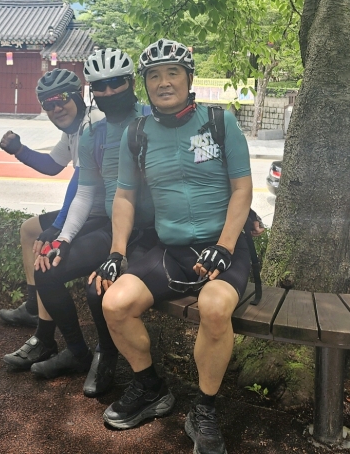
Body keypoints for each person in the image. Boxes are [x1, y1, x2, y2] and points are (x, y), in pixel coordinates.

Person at [91, 38, 253, 454]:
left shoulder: (220, 122)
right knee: (114, 304)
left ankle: (204, 409)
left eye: (173, 73)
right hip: (171, 250)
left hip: (223, 250)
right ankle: (150, 388)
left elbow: (242, 189)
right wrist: (116, 253)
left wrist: (224, 246)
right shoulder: (137, 134)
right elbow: (124, 196)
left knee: (214, 308)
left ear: (189, 78)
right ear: (145, 84)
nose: (164, 82)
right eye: (154, 76)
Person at [30, 48, 156, 395]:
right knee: (46, 269)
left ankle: (107, 355)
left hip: (152, 232)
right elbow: (85, 194)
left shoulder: (154, 119)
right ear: (91, 91)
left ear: (132, 83)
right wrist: (63, 238)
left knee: (96, 286)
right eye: (101, 86)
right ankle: (76, 351)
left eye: (117, 83)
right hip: (113, 228)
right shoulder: (92, 134)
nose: (109, 92)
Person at [0, 69, 104, 370]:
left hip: (103, 216)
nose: (56, 108)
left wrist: (58, 228)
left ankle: (45, 336)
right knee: (29, 230)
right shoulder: (73, 128)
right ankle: (34, 306)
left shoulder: (93, 124)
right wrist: (19, 150)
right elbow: (53, 165)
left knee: (44, 257)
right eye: (48, 104)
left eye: (61, 99)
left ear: (78, 95)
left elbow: (82, 183)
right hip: (88, 211)